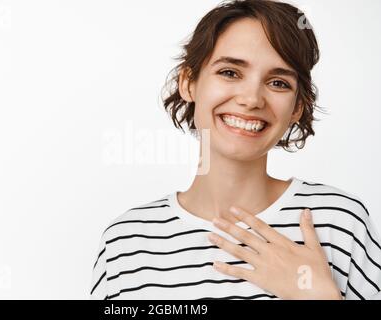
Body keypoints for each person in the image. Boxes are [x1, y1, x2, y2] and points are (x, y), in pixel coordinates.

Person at [89, 0, 381, 300]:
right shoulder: (126, 242)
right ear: (189, 82)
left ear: (297, 107)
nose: (252, 98)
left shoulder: (338, 223)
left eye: (278, 82)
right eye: (230, 72)